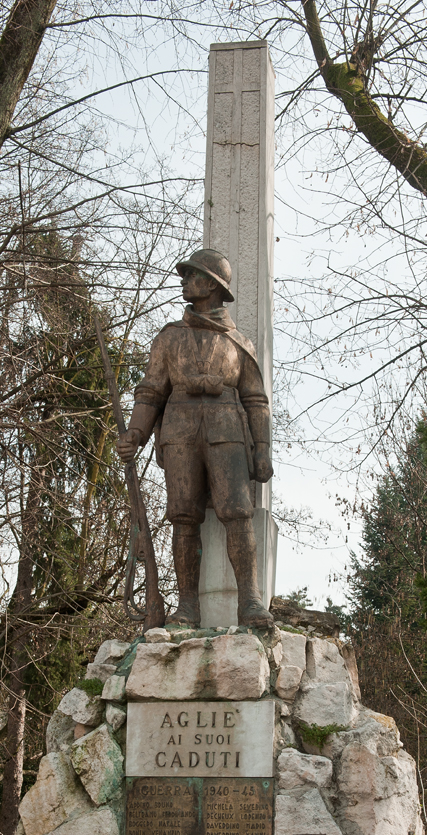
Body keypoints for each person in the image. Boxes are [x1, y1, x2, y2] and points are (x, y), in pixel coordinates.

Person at [116, 248, 274, 628]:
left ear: (213, 285)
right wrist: (136, 432)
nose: (184, 281)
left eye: (192, 275)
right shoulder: (169, 338)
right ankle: (187, 606)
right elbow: (151, 391)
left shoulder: (239, 343)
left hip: (227, 431)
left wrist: (263, 450)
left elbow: (256, 400)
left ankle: (250, 602)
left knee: (238, 512)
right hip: (180, 433)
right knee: (183, 517)